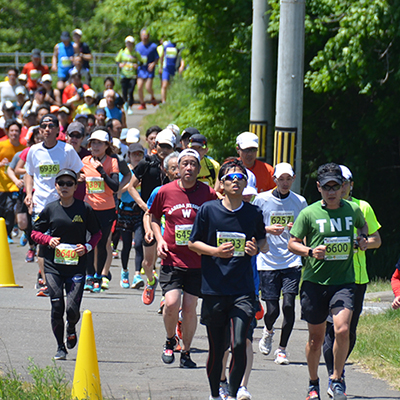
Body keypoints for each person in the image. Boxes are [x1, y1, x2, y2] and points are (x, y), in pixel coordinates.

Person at [188, 158, 268, 400]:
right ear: (220, 184)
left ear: (246, 183)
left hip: (243, 289)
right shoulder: (208, 210)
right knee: (218, 347)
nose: (235, 181)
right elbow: (193, 243)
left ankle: (233, 394)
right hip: (214, 288)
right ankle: (215, 394)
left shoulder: (253, 212)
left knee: (240, 343)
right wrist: (215, 251)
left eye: (240, 177)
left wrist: (257, 249)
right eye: (230, 178)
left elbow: (262, 242)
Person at [287, 162, 368, 400]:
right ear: (319, 188)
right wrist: (310, 251)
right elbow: (293, 243)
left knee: (342, 330)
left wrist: (362, 239)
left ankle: (336, 379)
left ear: (343, 187)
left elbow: (362, 228)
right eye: (326, 187)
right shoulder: (309, 213)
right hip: (314, 283)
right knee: (316, 339)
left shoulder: (352, 210)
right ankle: (313, 383)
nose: (331, 192)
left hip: (344, 281)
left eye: (336, 186)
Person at [150, 148, 218, 368]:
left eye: (193, 164)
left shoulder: (208, 193)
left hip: (197, 261)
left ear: (199, 169)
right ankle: (170, 339)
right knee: (171, 304)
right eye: (185, 164)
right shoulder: (165, 191)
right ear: (177, 168)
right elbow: (153, 216)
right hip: (171, 258)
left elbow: (218, 218)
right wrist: (159, 239)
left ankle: (186, 351)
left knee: (190, 307)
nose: (189, 168)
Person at [323, 165, 382, 397]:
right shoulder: (323, 208)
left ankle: (338, 369)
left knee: (349, 331)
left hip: (357, 278)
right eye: (337, 183)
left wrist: (365, 243)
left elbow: (376, 239)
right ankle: (334, 375)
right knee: (332, 329)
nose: (341, 187)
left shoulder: (362, 207)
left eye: (345, 183)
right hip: (330, 277)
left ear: (351, 185)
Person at [31, 168, 101, 360]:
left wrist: (86, 247)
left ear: (75, 187)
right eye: (61, 183)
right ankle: (60, 346)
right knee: (56, 306)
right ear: (56, 186)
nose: (65, 187)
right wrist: (48, 240)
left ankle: (71, 327)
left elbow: (97, 234)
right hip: (53, 265)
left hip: (77, 266)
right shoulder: (50, 208)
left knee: (71, 308)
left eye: (69, 183)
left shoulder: (84, 209)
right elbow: (35, 233)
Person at [253, 162, 307, 365]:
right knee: (273, 310)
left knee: (289, 305)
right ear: (274, 179)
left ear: (293, 179)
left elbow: (306, 228)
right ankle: (268, 331)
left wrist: (297, 229)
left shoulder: (300, 201)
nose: (285, 183)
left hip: (292, 259)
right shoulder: (261, 199)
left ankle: (282, 349)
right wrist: (268, 229)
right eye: (281, 179)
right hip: (268, 260)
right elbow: (253, 226)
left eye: (288, 179)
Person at [24, 114, 84, 294]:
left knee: (61, 243)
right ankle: (45, 280)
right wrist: (28, 194)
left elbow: (79, 172)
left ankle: (63, 278)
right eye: (44, 126)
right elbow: (29, 174)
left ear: (58, 130)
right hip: (41, 204)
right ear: (40, 130)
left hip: (63, 205)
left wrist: (76, 181)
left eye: (51, 126)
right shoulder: (34, 151)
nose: (47, 129)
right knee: (43, 243)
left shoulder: (66, 150)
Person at [127, 129, 175, 305]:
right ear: (155, 145)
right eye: (161, 145)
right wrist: (143, 204)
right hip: (148, 213)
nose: (164, 150)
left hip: (170, 216)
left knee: (165, 257)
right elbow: (131, 186)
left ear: (174, 147)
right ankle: (151, 282)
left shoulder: (176, 165)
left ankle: (166, 295)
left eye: (168, 147)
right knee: (148, 262)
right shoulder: (147, 163)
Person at [81, 130, 119, 292]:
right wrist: (79, 177)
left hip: (107, 209)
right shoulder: (85, 160)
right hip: (89, 208)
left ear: (106, 146)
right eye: (93, 143)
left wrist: (102, 171)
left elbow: (115, 186)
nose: (95, 146)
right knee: (89, 242)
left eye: (99, 143)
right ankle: (89, 277)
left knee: (102, 244)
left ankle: (98, 275)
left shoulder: (112, 161)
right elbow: (76, 176)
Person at [116, 143, 145, 289]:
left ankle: (137, 274)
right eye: (134, 154)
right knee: (126, 244)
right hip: (125, 209)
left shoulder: (145, 169)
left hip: (140, 210)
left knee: (139, 243)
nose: (137, 157)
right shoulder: (125, 171)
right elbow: (119, 192)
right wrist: (132, 185)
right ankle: (125, 271)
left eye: (139, 154)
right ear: (129, 156)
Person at [0, 119, 25, 241]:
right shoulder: (1, 145)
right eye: (12, 131)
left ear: (20, 133)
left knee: (10, 209)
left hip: (15, 185)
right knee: (2, 210)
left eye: (16, 131)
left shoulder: (23, 148)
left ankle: (7, 233)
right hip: (1, 184)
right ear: (7, 132)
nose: (14, 133)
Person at [116, 36, 142, 115]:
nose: (129, 45)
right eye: (128, 43)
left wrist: (137, 65)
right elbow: (117, 61)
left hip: (133, 75)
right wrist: (120, 64)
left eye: (130, 43)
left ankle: (130, 106)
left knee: (131, 91)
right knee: (124, 91)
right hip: (124, 75)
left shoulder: (135, 53)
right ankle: (125, 103)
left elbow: (141, 61)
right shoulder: (122, 52)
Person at [136, 29, 159, 110]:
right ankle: (142, 103)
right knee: (139, 87)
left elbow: (157, 58)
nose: (144, 37)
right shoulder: (137, 46)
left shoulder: (153, 46)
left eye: (146, 35)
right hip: (141, 69)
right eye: (143, 35)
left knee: (148, 87)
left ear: (148, 36)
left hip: (149, 69)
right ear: (140, 36)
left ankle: (152, 97)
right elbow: (134, 57)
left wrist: (153, 64)